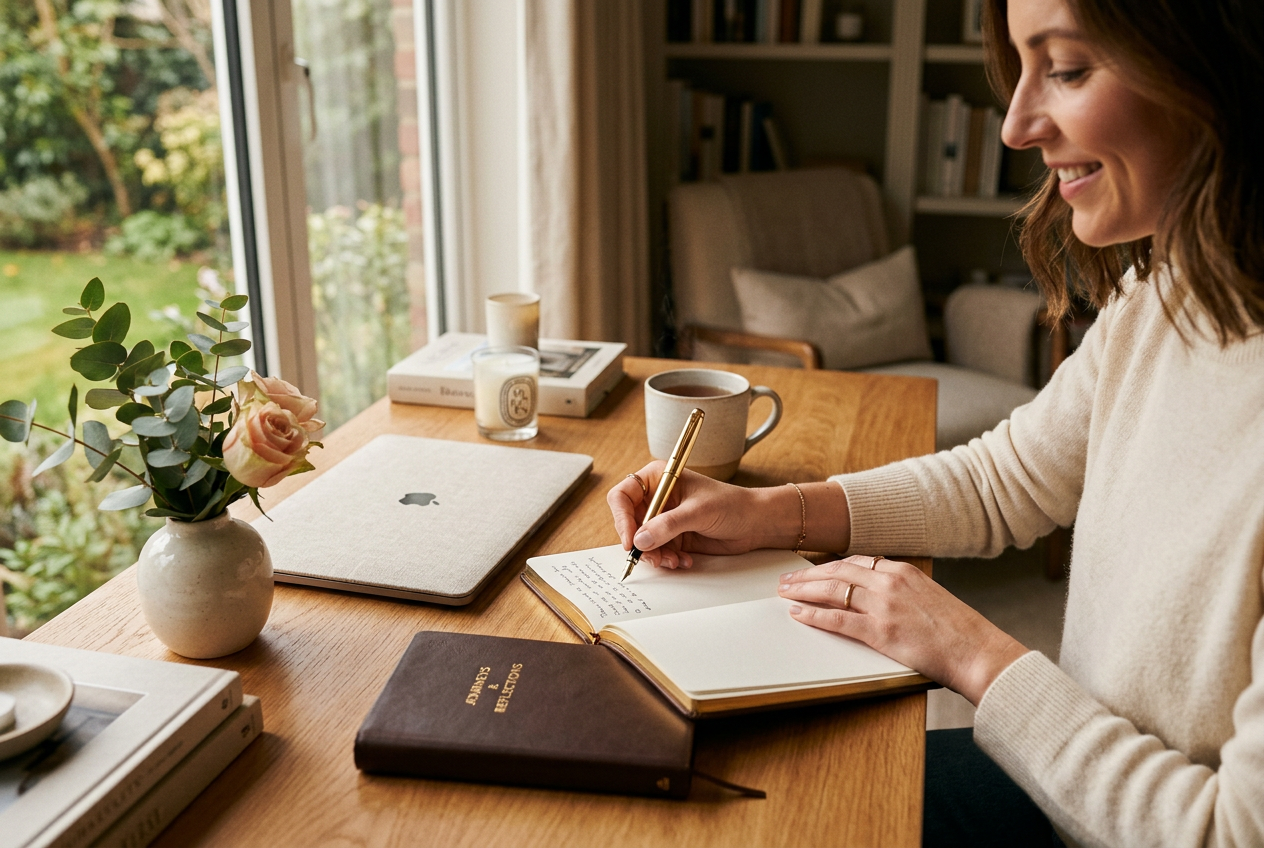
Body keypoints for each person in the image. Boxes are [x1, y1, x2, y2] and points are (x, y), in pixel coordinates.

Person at [608, 0, 1264, 844]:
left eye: (1063, 68)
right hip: (1073, 782)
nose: (1017, 126)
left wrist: (969, 652)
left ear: (1220, 69)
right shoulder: (1172, 287)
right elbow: (1005, 481)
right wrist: (774, 513)